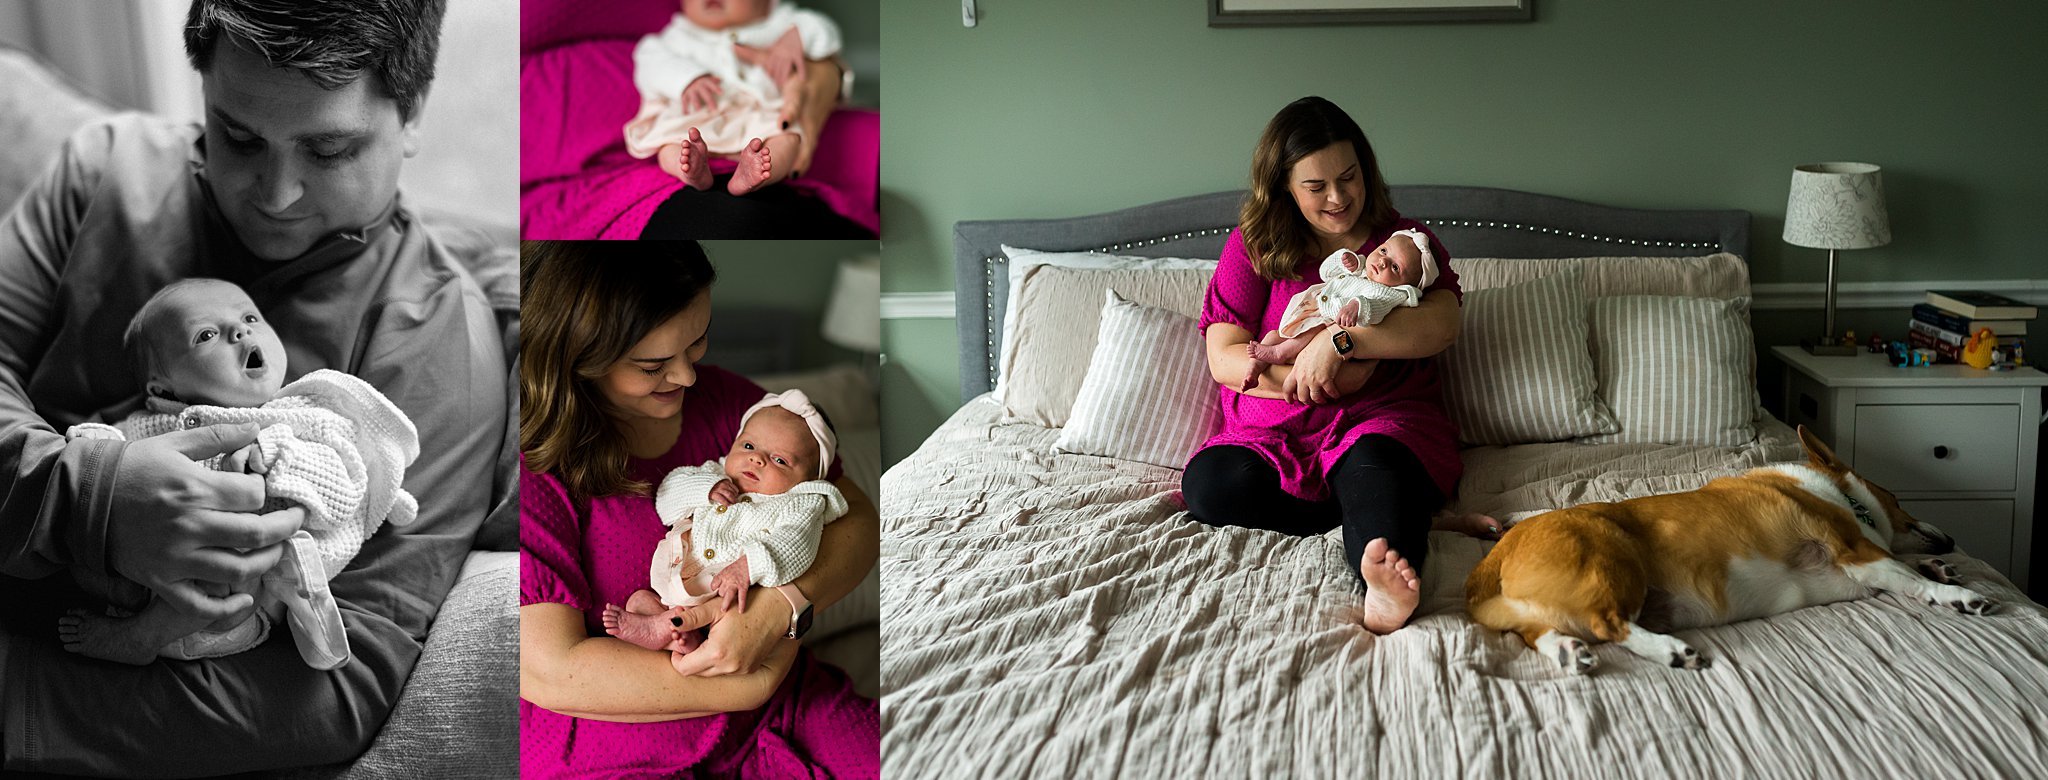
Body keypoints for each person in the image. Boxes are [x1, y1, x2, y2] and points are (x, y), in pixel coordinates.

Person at [0, 0, 506, 774]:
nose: (275, 195)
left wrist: (20, 700)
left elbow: (341, 685)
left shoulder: (436, 341)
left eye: (328, 150)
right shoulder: (106, 173)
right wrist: (83, 497)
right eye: (237, 137)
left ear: (412, 114)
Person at [518, 241, 878, 777]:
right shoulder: (529, 464)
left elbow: (853, 515)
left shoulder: (741, 411)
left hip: (786, 708)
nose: (688, 377)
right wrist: (749, 682)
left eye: (698, 341)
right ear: (576, 358)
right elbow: (552, 671)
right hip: (614, 747)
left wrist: (781, 606)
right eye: (653, 365)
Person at [1183, 96, 1476, 635]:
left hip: (1378, 420)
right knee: (1208, 487)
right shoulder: (1253, 248)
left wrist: (1340, 344)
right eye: (1316, 187)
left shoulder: (1403, 244)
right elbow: (1224, 357)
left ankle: (1383, 586)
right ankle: (1358, 514)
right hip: (1273, 432)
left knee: (1373, 471)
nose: (1339, 198)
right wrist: (1307, 381)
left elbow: (1442, 323)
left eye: (1349, 177)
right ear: (1284, 189)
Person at [58, 279, 421, 671]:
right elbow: (120, 455)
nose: (241, 330)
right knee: (77, 549)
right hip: (145, 576)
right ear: (163, 387)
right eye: (207, 335)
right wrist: (98, 446)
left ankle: (140, 638)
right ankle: (123, 602)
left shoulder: (304, 416)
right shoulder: (158, 424)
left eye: (250, 317)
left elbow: (345, 482)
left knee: (222, 565)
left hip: (234, 606)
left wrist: (279, 456)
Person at [600, 390, 848, 670]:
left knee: (729, 618)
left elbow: (796, 544)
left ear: (808, 480)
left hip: (730, 596)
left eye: (780, 460)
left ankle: (683, 635)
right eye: (748, 446)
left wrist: (748, 566)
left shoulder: (800, 504)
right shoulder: (714, 474)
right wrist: (706, 489)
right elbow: (667, 498)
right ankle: (672, 633)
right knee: (639, 601)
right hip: (675, 585)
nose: (757, 460)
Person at [625, 0, 842, 196]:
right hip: (698, 114)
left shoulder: (779, 23)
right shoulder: (677, 36)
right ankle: (692, 171)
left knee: (788, 138)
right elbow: (649, 60)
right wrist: (688, 79)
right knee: (669, 146)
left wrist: (796, 36)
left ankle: (755, 174)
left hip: (759, 114)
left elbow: (824, 30)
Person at [1244, 229, 1438, 391]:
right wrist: (1343, 260)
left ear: (1405, 284)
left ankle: (1280, 353)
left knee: (1311, 332)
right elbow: (1325, 273)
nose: (1382, 262)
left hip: (1328, 323)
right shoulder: (1361, 266)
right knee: (1271, 335)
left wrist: (1357, 305)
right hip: (1311, 312)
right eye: (1384, 250)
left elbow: (1377, 310)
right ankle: (1253, 371)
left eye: (1395, 267)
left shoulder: (1389, 293)